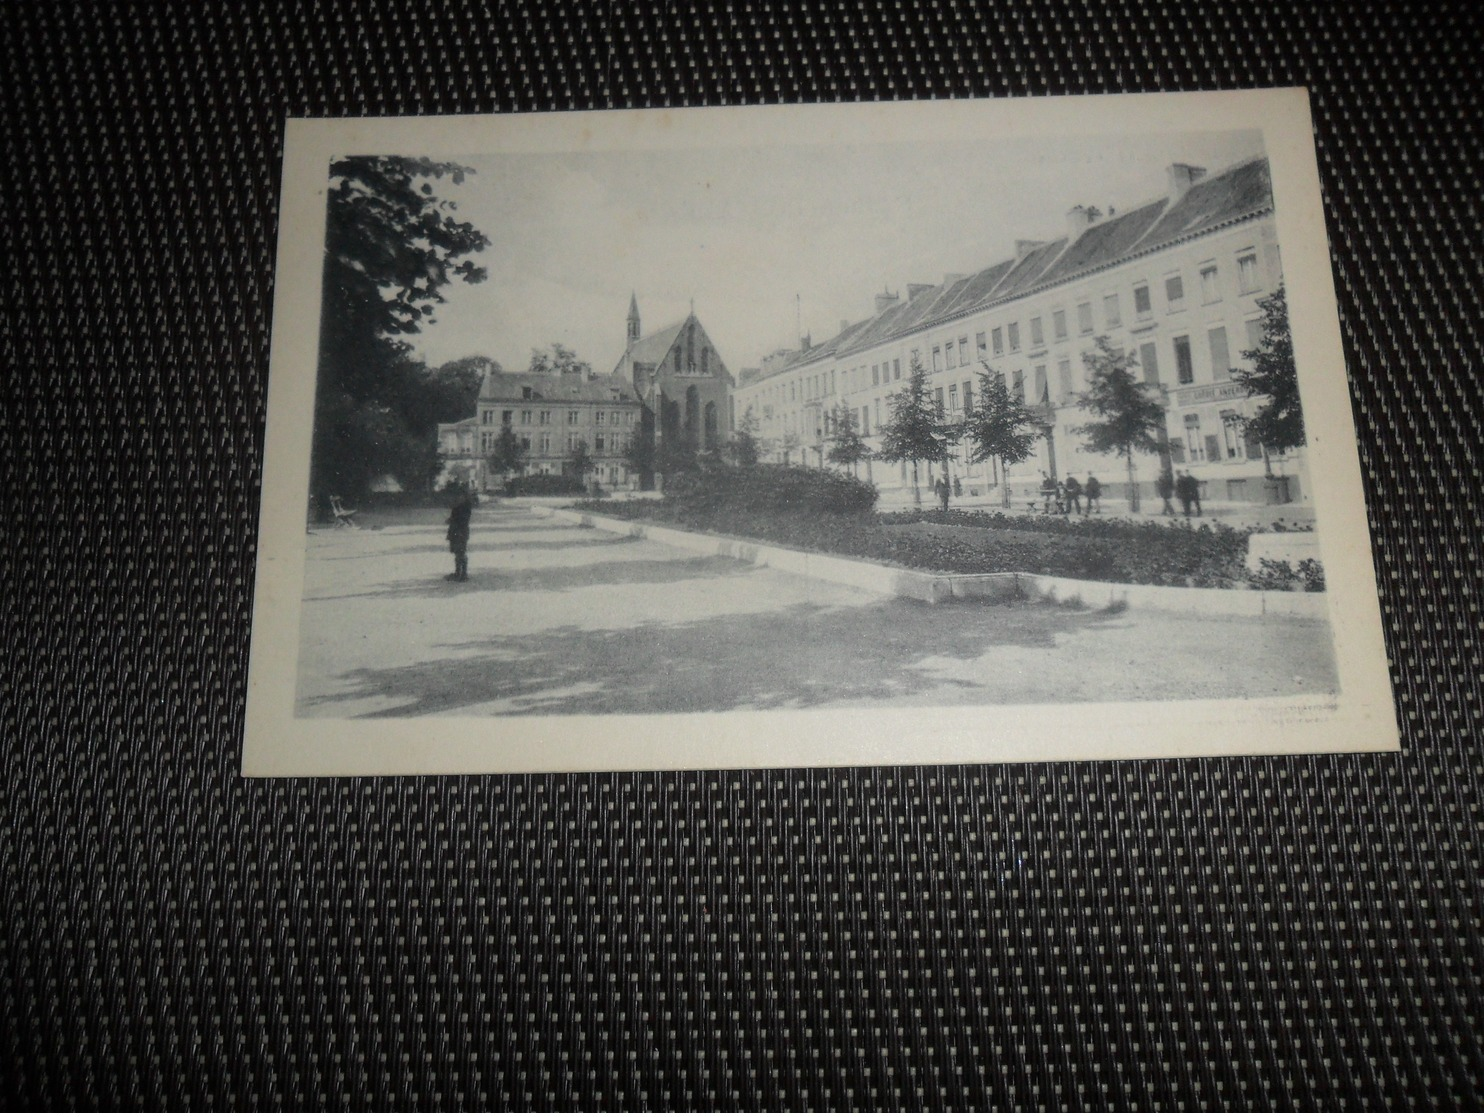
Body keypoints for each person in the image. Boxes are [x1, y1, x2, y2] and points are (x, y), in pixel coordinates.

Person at [445, 485, 473, 581]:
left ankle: (464, 573)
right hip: (454, 531)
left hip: (461, 531)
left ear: (465, 496)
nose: (458, 498)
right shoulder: (458, 506)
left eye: (461, 496)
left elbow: (463, 520)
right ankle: (458, 572)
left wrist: (453, 520)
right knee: (457, 552)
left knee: (461, 552)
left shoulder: (466, 507)